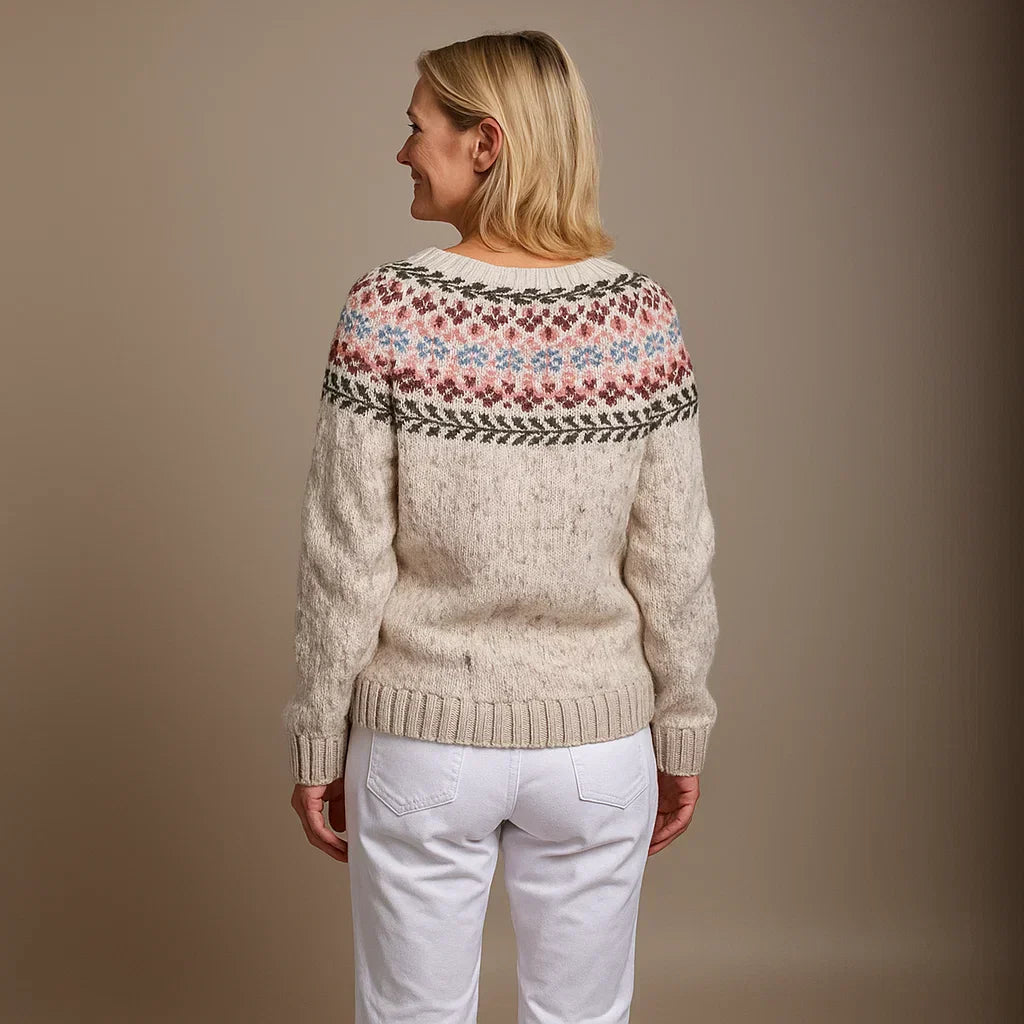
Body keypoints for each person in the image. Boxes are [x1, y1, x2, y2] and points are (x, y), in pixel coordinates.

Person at [280, 29, 720, 1024]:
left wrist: (317, 734)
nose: (402, 150)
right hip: (597, 745)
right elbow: (673, 553)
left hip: (422, 739)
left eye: (417, 128)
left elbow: (344, 556)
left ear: (485, 143)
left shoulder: (387, 311)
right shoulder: (641, 318)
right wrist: (682, 725)